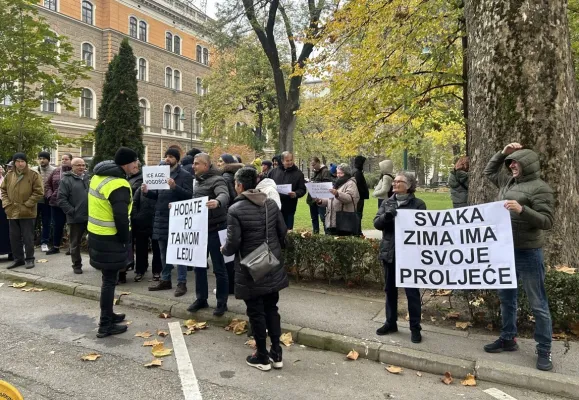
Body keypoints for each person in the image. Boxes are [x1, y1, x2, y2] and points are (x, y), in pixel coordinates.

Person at [483, 143, 555, 371]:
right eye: (510, 162)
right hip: (505, 250)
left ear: (529, 165)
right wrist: (502, 153)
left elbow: (547, 221)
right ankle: (508, 338)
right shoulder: (507, 182)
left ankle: (544, 349)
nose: (512, 165)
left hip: (528, 252)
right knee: (507, 298)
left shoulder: (540, 188)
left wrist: (523, 210)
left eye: (515, 162)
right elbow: (488, 172)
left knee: (538, 303)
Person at [221, 167, 288, 371]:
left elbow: (232, 244)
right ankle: (276, 353)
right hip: (271, 263)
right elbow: (283, 233)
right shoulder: (270, 204)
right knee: (272, 308)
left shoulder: (235, 209)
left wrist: (223, 249)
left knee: (256, 311)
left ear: (239, 185)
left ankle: (261, 355)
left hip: (250, 267)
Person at [88, 147, 139, 338]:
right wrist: (126, 240)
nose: (137, 165)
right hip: (111, 238)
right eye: (135, 161)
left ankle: (109, 314)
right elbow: (120, 216)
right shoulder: (118, 184)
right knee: (109, 281)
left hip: (96, 234)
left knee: (107, 279)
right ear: (126, 164)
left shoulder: (98, 177)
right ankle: (105, 324)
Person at [373, 171, 426, 344]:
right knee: (390, 290)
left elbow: (423, 228)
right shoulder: (388, 202)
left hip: (410, 256)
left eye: (399, 181)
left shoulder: (418, 204)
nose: (394, 184)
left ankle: (415, 328)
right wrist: (387, 216)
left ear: (409, 185)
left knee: (412, 293)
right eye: (394, 181)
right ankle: (390, 322)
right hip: (390, 252)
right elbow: (377, 223)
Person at [187, 153, 230, 316]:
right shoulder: (197, 181)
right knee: (199, 266)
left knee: (219, 268)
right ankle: (201, 299)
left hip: (216, 229)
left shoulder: (218, 180)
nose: (193, 166)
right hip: (200, 229)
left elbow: (224, 194)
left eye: (197, 163)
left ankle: (221, 302)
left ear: (206, 165)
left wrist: (217, 202)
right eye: (193, 163)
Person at [145, 148, 193, 297]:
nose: (167, 159)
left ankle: (181, 282)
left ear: (177, 160)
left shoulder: (185, 175)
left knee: (179, 252)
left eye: (171, 157)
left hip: (177, 217)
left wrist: (175, 187)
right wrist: (147, 192)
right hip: (161, 217)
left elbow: (189, 196)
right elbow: (158, 195)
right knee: (163, 251)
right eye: (166, 156)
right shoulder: (160, 174)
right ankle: (166, 279)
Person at [1, 153, 44, 269]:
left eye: (22, 161)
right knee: (14, 237)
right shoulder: (9, 175)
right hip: (12, 211)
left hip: (27, 211)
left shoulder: (33, 174)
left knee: (28, 237)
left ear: (26, 162)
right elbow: (3, 190)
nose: (20, 164)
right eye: (18, 161)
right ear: (14, 163)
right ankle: (18, 259)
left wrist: (27, 204)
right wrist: (6, 205)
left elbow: (39, 192)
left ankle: (30, 259)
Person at [57, 158, 89, 274]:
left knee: (95, 241)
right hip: (75, 217)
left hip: (92, 216)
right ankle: (76, 265)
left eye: (83, 165)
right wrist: (72, 211)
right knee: (75, 243)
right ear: (72, 166)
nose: (81, 167)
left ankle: (96, 262)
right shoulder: (66, 180)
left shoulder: (88, 178)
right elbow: (61, 199)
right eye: (78, 165)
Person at [131, 165, 162, 283]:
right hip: (142, 222)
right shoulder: (140, 189)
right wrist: (136, 217)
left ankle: (157, 271)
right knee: (140, 248)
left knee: (157, 248)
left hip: (157, 222)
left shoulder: (162, 189)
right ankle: (140, 270)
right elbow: (134, 203)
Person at [219, 154, 244, 294]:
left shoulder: (225, 178)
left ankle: (230, 287)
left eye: (221, 161)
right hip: (237, 217)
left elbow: (228, 199)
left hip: (228, 218)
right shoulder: (236, 176)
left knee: (228, 255)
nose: (218, 163)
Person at [316, 164, 360, 236]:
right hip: (332, 221)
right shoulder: (337, 183)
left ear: (346, 173)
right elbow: (330, 200)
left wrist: (337, 194)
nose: (338, 175)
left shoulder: (351, 183)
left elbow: (349, 198)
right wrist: (320, 201)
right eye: (337, 173)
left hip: (344, 221)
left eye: (341, 173)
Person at [269, 151, 306, 230]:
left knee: (287, 231)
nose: (290, 162)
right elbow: (267, 185)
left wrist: (295, 194)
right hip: (274, 207)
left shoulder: (298, 174)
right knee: (274, 230)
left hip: (289, 207)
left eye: (291, 160)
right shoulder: (273, 172)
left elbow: (302, 189)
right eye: (287, 160)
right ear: (282, 161)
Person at [44, 153, 73, 255]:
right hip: (56, 204)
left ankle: (72, 248)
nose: (64, 161)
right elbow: (47, 185)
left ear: (71, 160)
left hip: (70, 204)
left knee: (72, 226)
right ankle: (56, 247)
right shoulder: (56, 171)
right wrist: (50, 196)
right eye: (62, 159)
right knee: (57, 226)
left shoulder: (75, 171)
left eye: (66, 159)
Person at [35, 151, 56, 252]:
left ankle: (44, 242)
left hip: (47, 201)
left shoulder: (54, 170)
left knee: (46, 222)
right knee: (31, 223)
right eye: (40, 158)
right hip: (35, 200)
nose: (42, 160)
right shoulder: (34, 170)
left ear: (48, 159)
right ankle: (28, 243)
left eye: (44, 158)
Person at [307, 157, 333, 234]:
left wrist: (314, 183)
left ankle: (327, 234)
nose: (313, 167)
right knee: (314, 218)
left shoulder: (325, 171)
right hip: (312, 198)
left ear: (319, 162)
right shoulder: (314, 172)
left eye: (314, 165)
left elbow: (326, 184)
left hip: (322, 199)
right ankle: (315, 234)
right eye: (312, 165)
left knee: (323, 218)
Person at [353, 156, 369, 235]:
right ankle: (358, 231)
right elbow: (358, 186)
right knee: (358, 214)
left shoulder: (357, 172)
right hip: (359, 197)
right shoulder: (358, 173)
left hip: (359, 197)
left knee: (358, 214)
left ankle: (358, 231)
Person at [0, 165, 13, 261]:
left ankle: (10, 252)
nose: (1, 169)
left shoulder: (5, 179)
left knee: (7, 230)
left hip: (5, 206)